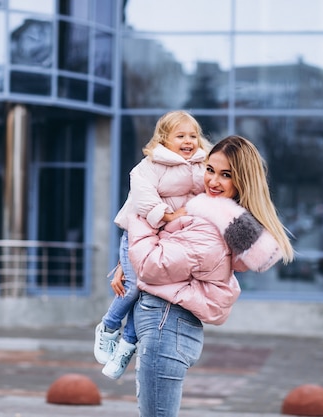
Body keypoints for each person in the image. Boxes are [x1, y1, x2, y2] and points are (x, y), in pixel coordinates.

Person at [126, 135, 295, 417]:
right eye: (210, 170)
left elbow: (149, 266)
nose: (213, 181)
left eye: (226, 175)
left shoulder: (206, 227)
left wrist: (139, 220)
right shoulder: (212, 217)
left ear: (242, 182)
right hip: (169, 325)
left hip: (165, 325)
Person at [93, 110, 211, 380]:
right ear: (164, 138)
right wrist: (169, 215)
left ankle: (126, 346)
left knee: (148, 292)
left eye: (193, 135)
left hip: (166, 241)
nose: (188, 141)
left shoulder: (201, 165)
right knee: (133, 287)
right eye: (180, 135)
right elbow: (143, 198)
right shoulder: (149, 165)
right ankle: (109, 326)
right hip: (139, 234)